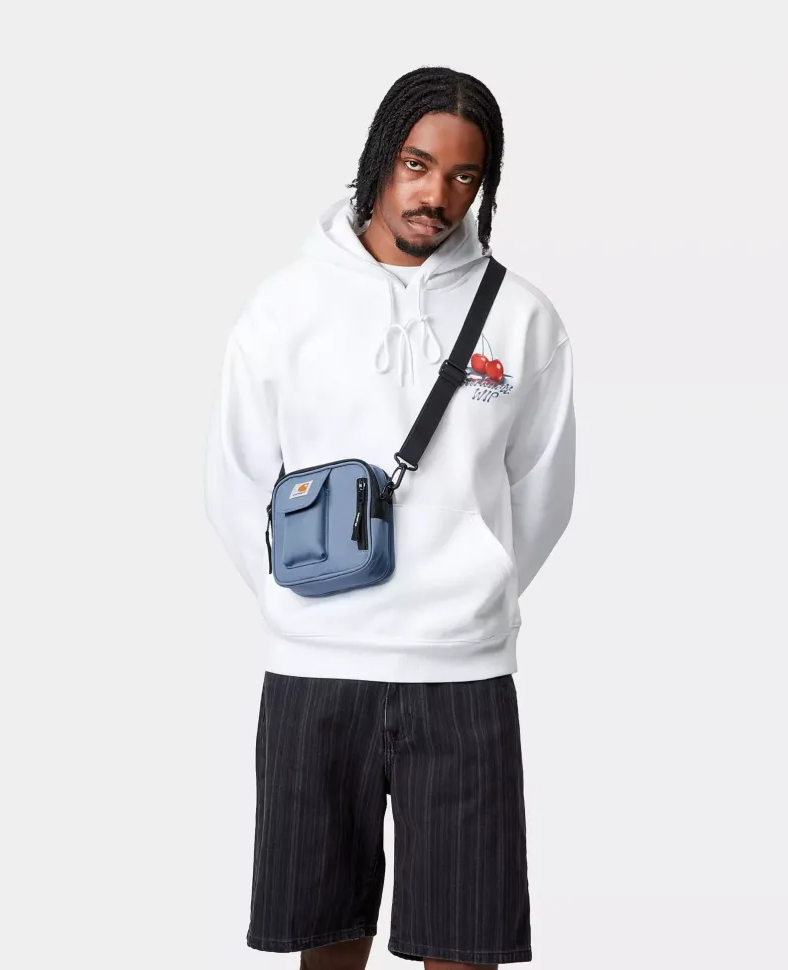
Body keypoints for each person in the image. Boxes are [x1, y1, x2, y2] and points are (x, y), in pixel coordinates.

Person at [205, 66, 576, 970]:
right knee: (325, 944)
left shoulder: (521, 317)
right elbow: (236, 480)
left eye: (463, 175)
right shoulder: (286, 306)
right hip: (315, 672)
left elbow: (544, 490)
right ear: (380, 158)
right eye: (418, 164)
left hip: (463, 674)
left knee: (465, 944)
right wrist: (300, 607)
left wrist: (476, 588)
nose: (436, 194)